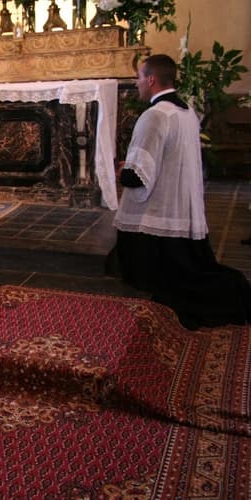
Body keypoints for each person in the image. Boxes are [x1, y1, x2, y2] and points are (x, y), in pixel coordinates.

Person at [109, 54, 251, 329]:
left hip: (161, 216)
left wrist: (121, 172)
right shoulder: (187, 112)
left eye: (139, 78)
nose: (137, 84)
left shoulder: (154, 115)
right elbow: (170, 159)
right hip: (182, 212)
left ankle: (236, 294)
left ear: (151, 80)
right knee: (194, 271)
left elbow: (137, 176)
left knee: (185, 281)